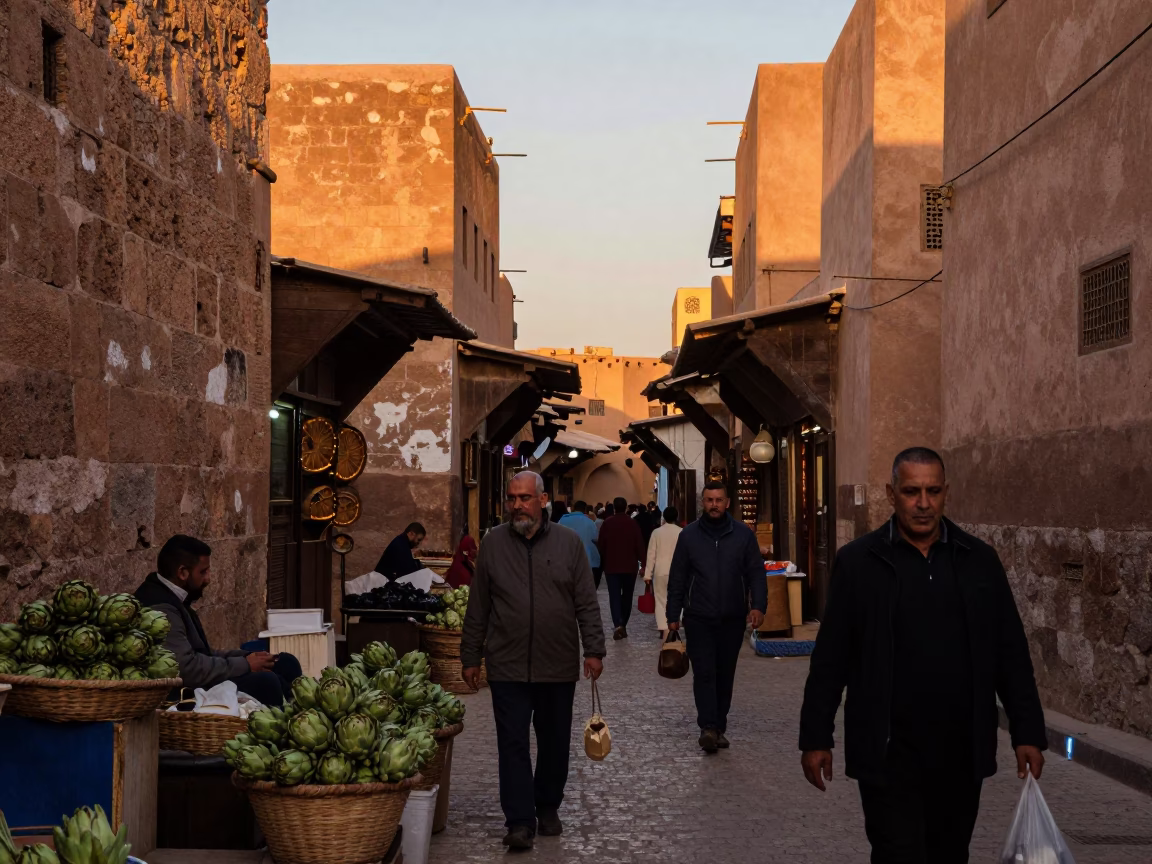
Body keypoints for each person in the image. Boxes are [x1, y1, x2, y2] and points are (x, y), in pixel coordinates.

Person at [798, 447, 1047, 863]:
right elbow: (831, 659)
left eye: (933, 491)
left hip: (960, 750)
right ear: (891, 493)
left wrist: (1028, 733)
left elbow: (1010, 653)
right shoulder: (860, 563)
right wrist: (815, 737)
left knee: (950, 853)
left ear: (946, 492)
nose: (924, 503)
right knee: (897, 852)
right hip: (888, 749)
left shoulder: (978, 561)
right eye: (912, 491)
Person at [461, 471, 605, 851]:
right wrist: (470, 655)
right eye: (512, 498)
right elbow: (479, 605)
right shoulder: (492, 545)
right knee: (512, 744)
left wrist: (593, 650)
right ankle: (520, 821)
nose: (517, 505)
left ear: (543, 500)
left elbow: (586, 602)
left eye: (525, 497)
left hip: (556, 663)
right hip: (507, 664)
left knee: (555, 742)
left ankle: (547, 806)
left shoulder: (569, 544)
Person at [135, 535, 302, 706]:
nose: (208, 579)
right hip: (185, 691)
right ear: (182, 573)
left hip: (201, 676)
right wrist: (244, 664)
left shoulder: (177, 596)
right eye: (203, 572)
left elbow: (204, 653)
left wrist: (248, 657)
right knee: (266, 683)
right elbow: (187, 669)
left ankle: (297, 709)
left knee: (285, 663)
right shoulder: (160, 609)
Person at [665, 481, 766, 753]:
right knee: (705, 673)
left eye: (719, 500)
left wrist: (758, 606)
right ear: (702, 502)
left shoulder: (743, 535)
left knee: (725, 674)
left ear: (728, 502)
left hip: (732, 617)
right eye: (709, 500)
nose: (714, 505)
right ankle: (708, 726)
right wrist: (672, 614)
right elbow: (678, 577)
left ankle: (719, 725)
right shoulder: (689, 536)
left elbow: (756, 572)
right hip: (698, 617)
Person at [596, 496, 646, 640]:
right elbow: (639, 545)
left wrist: (604, 559)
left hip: (611, 566)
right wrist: (643, 563)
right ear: (625, 508)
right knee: (627, 596)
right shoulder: (632, 523)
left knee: (614, 596)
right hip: (630, 566)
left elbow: (601, 544)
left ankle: (618, 624)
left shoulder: (607, 523)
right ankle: (623, 623)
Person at [643, 506, 682, 638]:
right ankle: (675, 624)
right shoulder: (682, 532)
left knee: (660, 601)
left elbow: (651, 554)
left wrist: (648, 574)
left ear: (664, 517)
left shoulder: (657, 533)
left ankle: (664, 629)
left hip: (660, 571)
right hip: (678, 572)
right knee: (678, 599)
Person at [559, 501, 603, 589]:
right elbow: (596, 539)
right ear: (585, 510)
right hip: (587, 561)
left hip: (565, 561)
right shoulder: (590, 523)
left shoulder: (562, 520)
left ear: (573, 508)